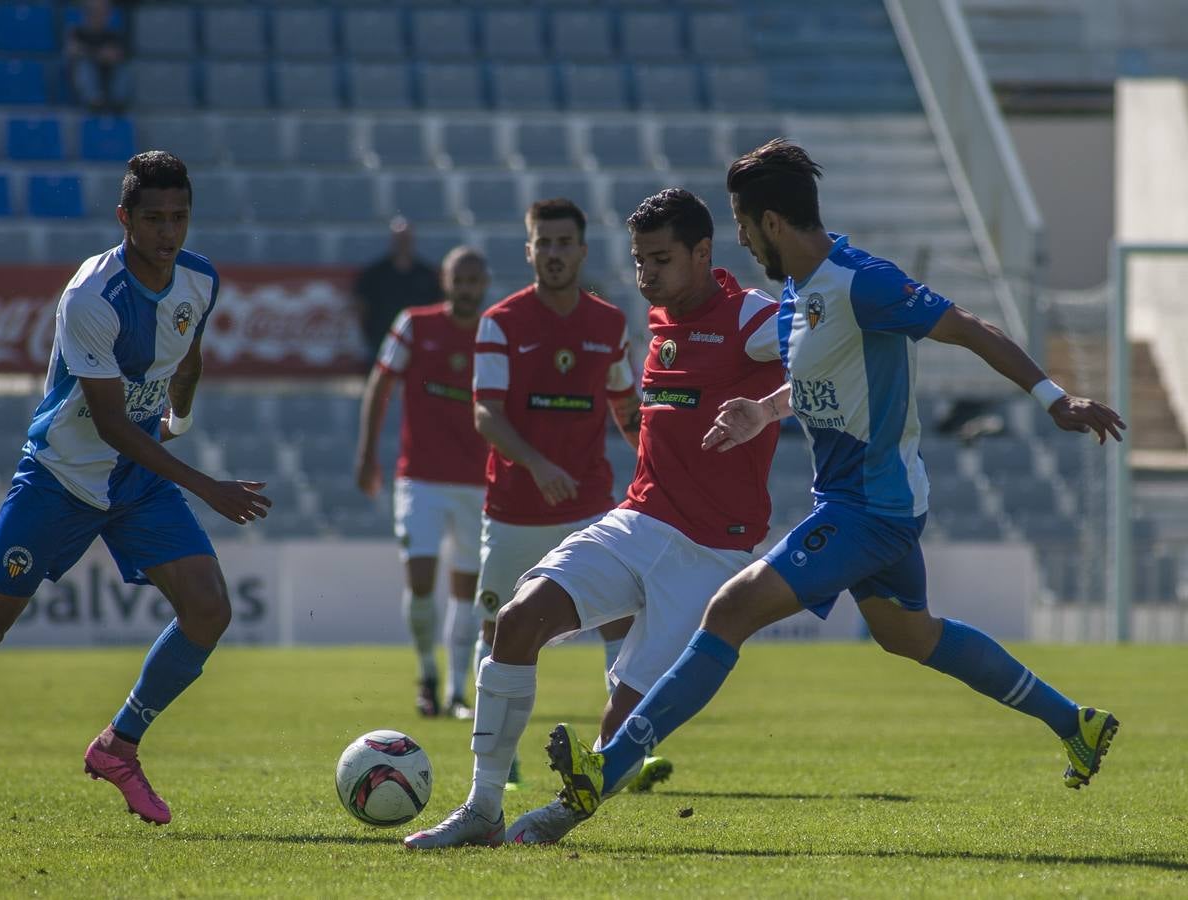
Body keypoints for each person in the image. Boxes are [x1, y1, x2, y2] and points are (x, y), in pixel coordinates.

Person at [544, 139, 1127, 834]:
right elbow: (823, 376)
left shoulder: (861, 280)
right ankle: (1076, 723)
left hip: (870, 507)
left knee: (730, 610)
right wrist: (764, 410)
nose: (739, 237)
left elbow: (968, 327)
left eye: (741, 221)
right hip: (865, 501)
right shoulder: (797, 291)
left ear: (769, 221)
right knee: (909, 634)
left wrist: (1053, 399)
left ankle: (605, 771)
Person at [405, 189, 788, 849]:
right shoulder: (658, 317)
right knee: (517, 620)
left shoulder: (746, 315)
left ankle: (558, 817)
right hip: (638, 519)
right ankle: (481, 808)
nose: (646, 275)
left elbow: (823, 353)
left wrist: (767, 409)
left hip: (711, 555)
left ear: (703, 253)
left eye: (661, 260)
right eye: (639, 261)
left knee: (623, 718)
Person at [0, 151, 271, 826]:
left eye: (178, 217)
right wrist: (207, 485)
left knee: (208, 609)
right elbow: (112, 425)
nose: (167, 233)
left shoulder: (199, 279)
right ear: (125, 218)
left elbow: (189, 354)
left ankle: (119, 744)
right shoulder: (93, 297)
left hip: (136, 480)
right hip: (60, 477)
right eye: (153, 219)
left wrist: (181, 418)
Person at [402, 198, 642, 847]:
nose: (556, 252)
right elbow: (486, 414)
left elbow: (627, 405)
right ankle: (493, 776)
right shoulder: (501, 322)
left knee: (621, 620)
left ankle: (619, 757)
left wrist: (653, 457)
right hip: (514, 508)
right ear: (530, 251)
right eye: (545, 242)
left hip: (590, 504)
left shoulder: (610, 322)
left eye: (566, 242)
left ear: (582, 251)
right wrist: (536, 464)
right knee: (499, 628)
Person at [355, 246, 491, 719]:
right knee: (420, 579)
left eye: (476, 279)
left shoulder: (495, 332)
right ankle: (426, 673)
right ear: (445, 281)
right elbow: (380, 382)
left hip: (479, 482)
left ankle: (456, 690)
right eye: (461, 279)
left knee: (466, 587)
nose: (468, 288)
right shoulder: (414, 323)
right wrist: (368, 452)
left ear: (485, 283)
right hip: (420, 480)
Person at [354, 217, 444, 358]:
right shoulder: (374, 274)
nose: (403, 243)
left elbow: (439, 306)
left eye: (406, 239)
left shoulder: (427, 274)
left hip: (418, 346)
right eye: (399, 239)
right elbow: (361, 307)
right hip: (381, 343)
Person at [65, 0, 130, 112]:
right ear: (88, 14)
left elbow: (115, 56)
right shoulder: (77, 32)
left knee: (124, 68)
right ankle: (94, 101)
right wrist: (98, 55)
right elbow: (72, 51)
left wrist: (88, 52)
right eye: (95, 12)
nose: (100, 16)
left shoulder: (112, 35)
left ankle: (118, 102)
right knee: (85, 66)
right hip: (83, 79)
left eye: (103, 13)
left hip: (107, 75)